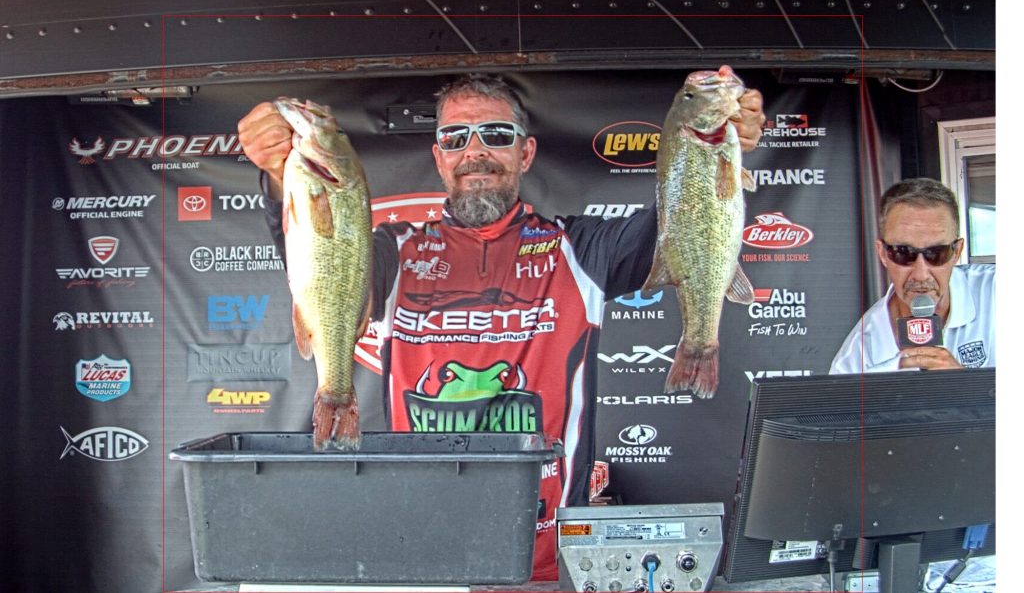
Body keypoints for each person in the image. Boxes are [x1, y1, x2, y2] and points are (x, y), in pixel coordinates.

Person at [238, 70, 765, 581]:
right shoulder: (394, 251)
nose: (475, 152)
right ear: (439, 157)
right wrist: (282, 177)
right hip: (425, 550)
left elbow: (681, 229)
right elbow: (320, 264)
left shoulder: (580, 249)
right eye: (456, 138)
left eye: (495, 134)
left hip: (548, 558)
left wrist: (715, 153)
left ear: (525, 153)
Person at [830, 177, 995, 374]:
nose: (921, 274)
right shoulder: (858, 358)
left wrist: (964, 385)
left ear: (957, 252)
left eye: (936, 253)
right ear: (882, 254)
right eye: (903, 253)